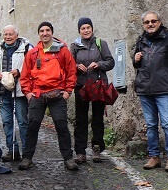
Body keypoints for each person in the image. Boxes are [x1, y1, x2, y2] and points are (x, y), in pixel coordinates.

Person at [19, 21, 78, 171]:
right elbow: (24, 75)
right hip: (37, 95)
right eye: (42, 31)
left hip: (57, 94)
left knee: (61, 125)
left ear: (52, 32)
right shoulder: (32, 53)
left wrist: (68, 91)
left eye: (47, 30)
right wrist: (27, 93)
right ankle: (27, 158)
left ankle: (68, 158)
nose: (45, 33)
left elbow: (71, 71)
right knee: (32, 126)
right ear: (39, 34)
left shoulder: (62, 51)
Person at [133, 11, 168, 172]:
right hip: (145, 89)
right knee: (151, 125)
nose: (150, 24)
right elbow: (138, 64)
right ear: (143, 24)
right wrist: (135, 60)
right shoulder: (141, 40)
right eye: (147, 22)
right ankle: (154, 156)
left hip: (164, 89)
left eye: (153, 21)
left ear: (159, 22)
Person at [70, 17, 116, 164]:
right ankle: (80, 152)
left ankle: (97, 148)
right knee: (81, 120)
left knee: (97, 119)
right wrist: (77, 66)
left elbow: (110, 62)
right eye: (83, 28)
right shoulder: (75, 46)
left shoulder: (100, 44)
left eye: (88, 27)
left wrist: (99, 64)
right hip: (81, 87)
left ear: (92, 28)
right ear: (79, 30)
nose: (86, 30)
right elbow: (69, 65)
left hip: (97, 86)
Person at [0, 25, 31, 162]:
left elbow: (31, 68)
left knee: (22, 121)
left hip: (19, 92)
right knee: (7, 123)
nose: (7, 37)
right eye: (5, 34)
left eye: (10, 34)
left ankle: (26, 152)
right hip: (2, 92)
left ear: (16, 35)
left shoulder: (26, 48)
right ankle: (12, 150)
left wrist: (19, 72)